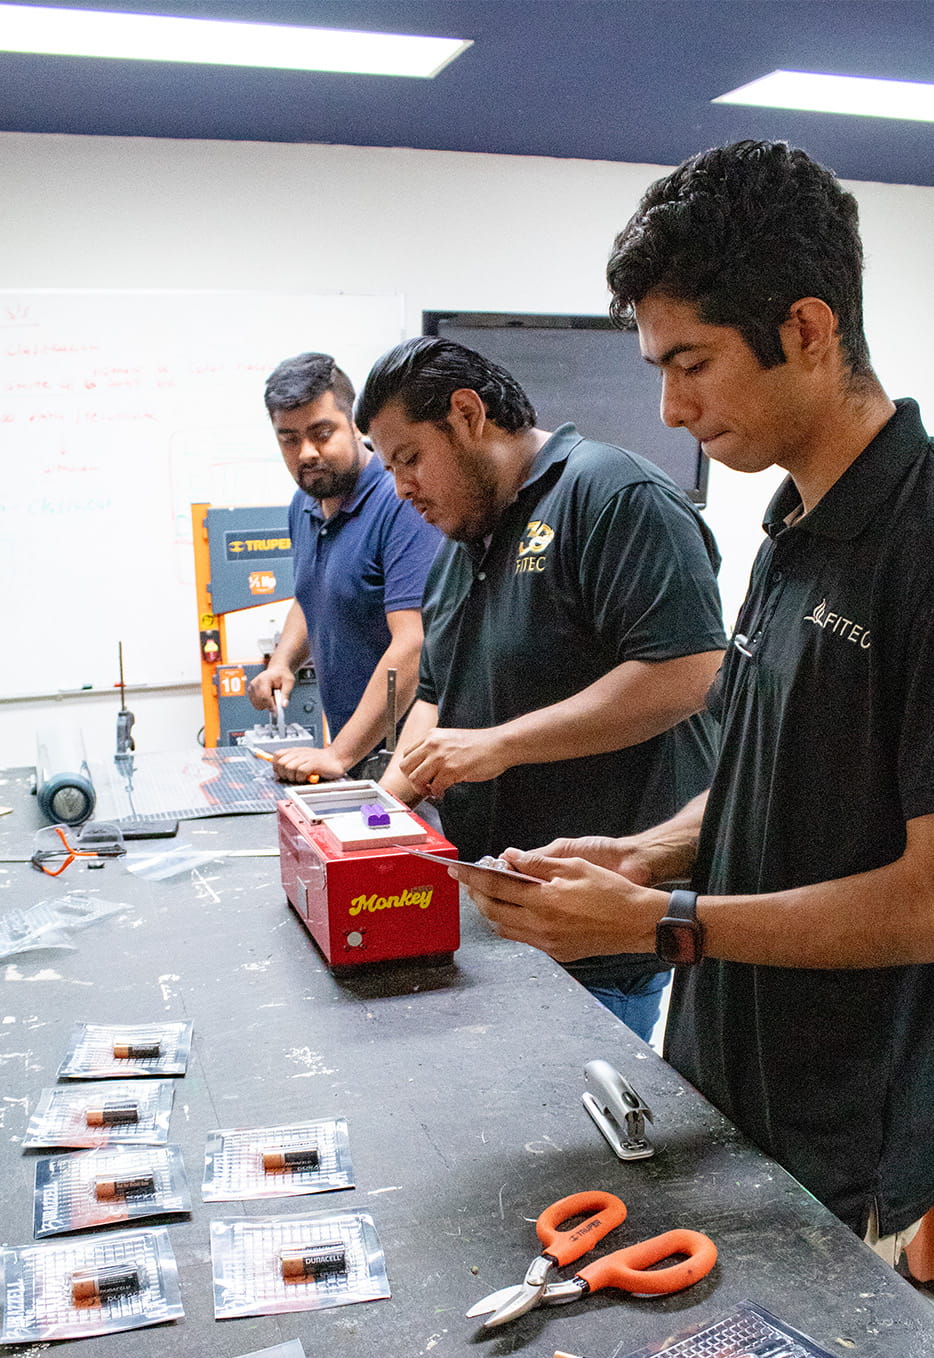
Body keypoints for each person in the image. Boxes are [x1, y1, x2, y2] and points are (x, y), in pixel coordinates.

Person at [456, 139, 934, 1260]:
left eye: (693, 362)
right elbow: (778, 776)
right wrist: (648, 857)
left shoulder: (919, 545)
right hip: (726, 1098)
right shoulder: (789, 526)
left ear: (809, 331)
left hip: (843, 1149)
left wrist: (660, 926)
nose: (668, 410)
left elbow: (924, 901)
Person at [355, 337, 726, 1041]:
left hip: (595, 935)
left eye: (409, 459)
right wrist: (376, 812)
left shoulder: (611, 493)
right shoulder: (460, 551)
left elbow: (687, 673)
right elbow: (434, 696)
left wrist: (502, 746)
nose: (400, 489)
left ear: (467, 415)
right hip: (493, 922)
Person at [247, 352, 440, 782]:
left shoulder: (401, 502)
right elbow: (314, 594)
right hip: (355, 754)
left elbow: (412, 644)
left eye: (322, 433)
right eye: (289, 439)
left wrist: (339, 753)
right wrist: (283, 662)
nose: (307, 452)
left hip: (410, 759)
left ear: (355, 424)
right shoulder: (304, 505)